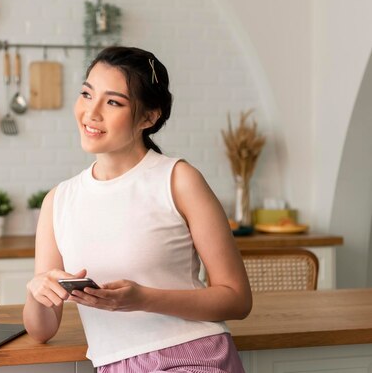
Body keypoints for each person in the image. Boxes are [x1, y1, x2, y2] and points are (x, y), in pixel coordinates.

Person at [22, 46, 252, 373]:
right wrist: (36, 291)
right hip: (113, 366)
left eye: (113, 102)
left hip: (193, 357)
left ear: (149, 117)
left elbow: (237, 299)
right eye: (87, 94)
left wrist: (143, 299)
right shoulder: (58, 201)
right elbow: (42, 330)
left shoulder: (179, 180)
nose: (92, 112)